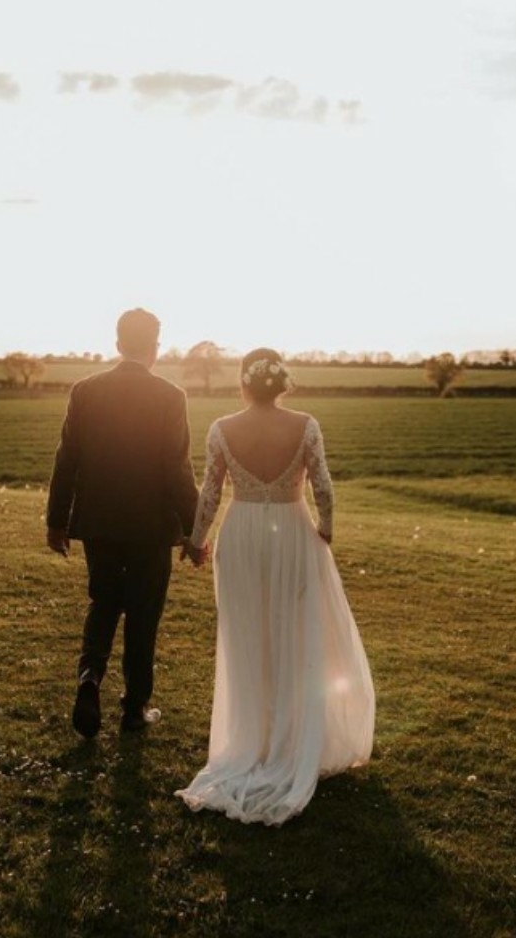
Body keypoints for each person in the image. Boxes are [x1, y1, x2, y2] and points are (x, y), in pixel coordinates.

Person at [176, 348, 375, 825]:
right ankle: (293, 739)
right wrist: (325, 527)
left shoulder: (222, 428)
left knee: (249, 638)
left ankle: (255, 740)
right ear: (281, 382)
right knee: (296, 631)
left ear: (244, 383)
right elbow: (323, 486)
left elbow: (209, 492)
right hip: (291, 532)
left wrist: (196, 541)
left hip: (242, 533)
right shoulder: (305, 424)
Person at [46, 308, 200, 737]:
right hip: (151, 526)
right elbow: (177, 470)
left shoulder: (85, 390)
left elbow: (67, 460)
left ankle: (89, 678)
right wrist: (194, 530)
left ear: (117, 344)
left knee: (103, 601)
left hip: (99, 521)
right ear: (155, 347)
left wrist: (56, 521)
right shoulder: (170, 396)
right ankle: (134, 707)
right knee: (143, 614)